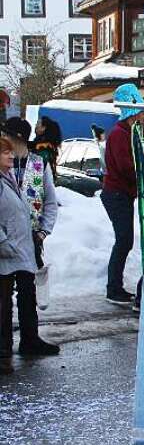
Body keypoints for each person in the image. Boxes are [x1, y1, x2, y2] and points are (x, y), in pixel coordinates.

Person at [0, 136, 53, 373]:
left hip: (21, 248)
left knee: (27, 294)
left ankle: (29, 340)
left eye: (11, 152)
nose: (11, 156)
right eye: (5, 153)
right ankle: (2, 350)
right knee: (2, 304)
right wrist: (4, 244)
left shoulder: (9, 177)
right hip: (6, 251)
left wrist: (38, 234)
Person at [4, 118, 58, 327]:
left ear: (18, 139)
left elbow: (50, 202)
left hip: (31, 238)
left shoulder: (38, 164)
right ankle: (4, 342)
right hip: (5, 238)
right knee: (4, 292)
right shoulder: (2, 162)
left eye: (7, 136)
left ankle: (30, 338)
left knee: (28, 288)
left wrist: (43, 232)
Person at [102, 84, 144, 307]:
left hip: (122, 193)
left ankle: (115, 287)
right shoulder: (120, 134)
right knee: (124, 241)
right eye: (140, 108)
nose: (143, 113)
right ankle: (113, 288)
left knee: (124, 241)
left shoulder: (128, 132)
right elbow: (125, 167)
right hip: (117, 193)